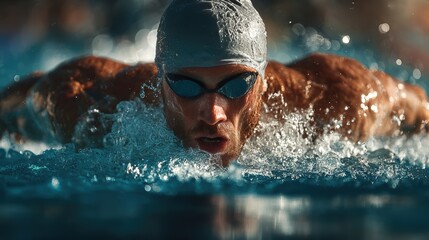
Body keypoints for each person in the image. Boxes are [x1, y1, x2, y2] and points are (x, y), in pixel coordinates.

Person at [1, 0, 429, 166]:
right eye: (187, 87)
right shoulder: (92, 105)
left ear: (262, 80)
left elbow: (420, 110)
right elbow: (20, 98)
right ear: (160, 81)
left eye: (235, 85)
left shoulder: (337, 101)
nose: (212, 113)